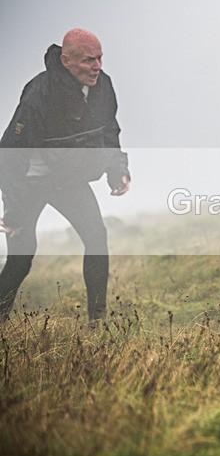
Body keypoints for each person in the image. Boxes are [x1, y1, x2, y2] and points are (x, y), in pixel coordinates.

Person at [0, 29, 130, 323]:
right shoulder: (40, 92)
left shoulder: (103, 85)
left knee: (97, 237)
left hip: (67, 180)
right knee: (22, 258)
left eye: (99, 58)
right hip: (29, 182)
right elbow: (9, 152)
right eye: (87, 60)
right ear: (66, 60)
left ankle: (98, 324)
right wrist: (15, 211)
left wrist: (117, 169)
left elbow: (108, 130)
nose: (96, 66)